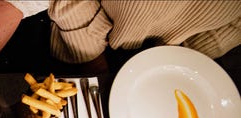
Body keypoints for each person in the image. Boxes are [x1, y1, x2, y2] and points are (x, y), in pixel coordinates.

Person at [48, 0, 241, 74]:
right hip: (81, 42)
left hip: (171, 58)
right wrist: (91, 58)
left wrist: (180, 60)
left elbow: (235, 25)